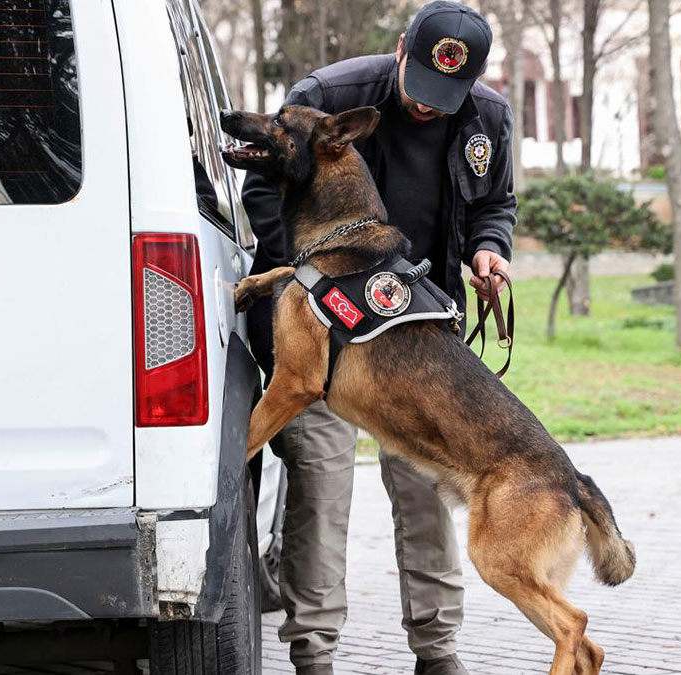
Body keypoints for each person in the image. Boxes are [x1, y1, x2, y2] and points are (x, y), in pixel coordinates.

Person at [242, 3, 516, 673]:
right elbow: (261, 191)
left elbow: (494, 204)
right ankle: (313, 651)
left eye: (445, 99)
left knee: (427, 485)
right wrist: (310, 287)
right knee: (320, 485)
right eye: (420, 89)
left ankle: (438, 649)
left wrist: (489, 249)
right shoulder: (329, 98)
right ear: (400, 51)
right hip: (322, 329)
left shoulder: (488, 118)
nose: (429, 109)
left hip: (414, 337)